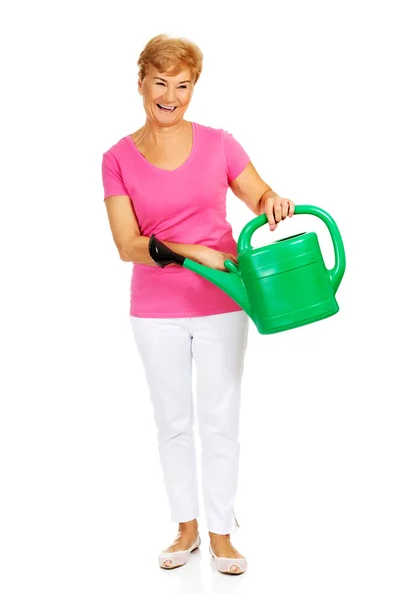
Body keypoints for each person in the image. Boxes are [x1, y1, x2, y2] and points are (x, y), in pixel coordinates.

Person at [101, 33, 295, 575]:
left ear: (194, 88)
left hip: (225, 302)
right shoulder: (117, 158)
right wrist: (192, 251)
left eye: (182, 85)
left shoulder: (219, 143)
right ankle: (185, 528)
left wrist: (271, 201)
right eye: (160, 82)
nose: (170, 95)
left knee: (220, 420)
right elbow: (126, 244)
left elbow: (256, 192)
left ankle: (221, 533)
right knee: (173, 422)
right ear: (141, 83)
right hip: (155, 310)